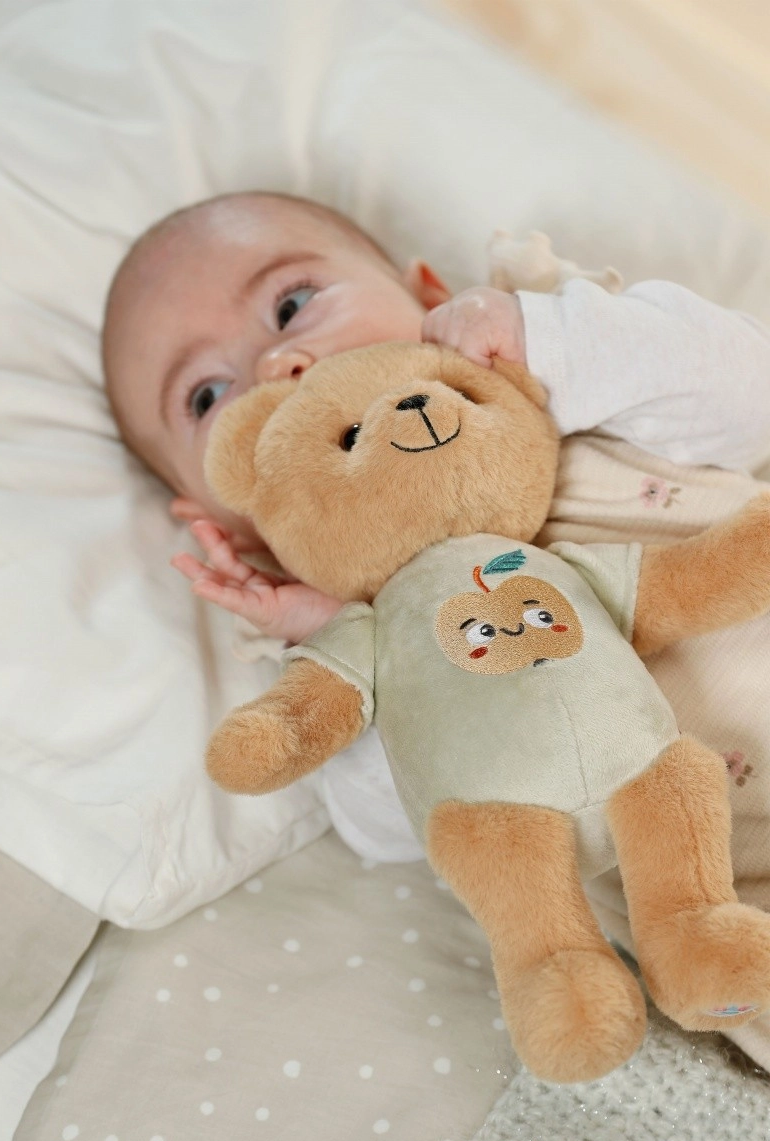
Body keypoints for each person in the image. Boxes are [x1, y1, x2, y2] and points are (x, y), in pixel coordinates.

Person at [102, 189, 770, 860]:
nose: (276, 365)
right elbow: (397, 833)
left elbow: (753, 392)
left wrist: (548, 340)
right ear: (216, 520)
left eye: (291, 305)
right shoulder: (358, 630)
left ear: (429, 295)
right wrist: (355, 645)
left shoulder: (569, 383)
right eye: (207, 396)